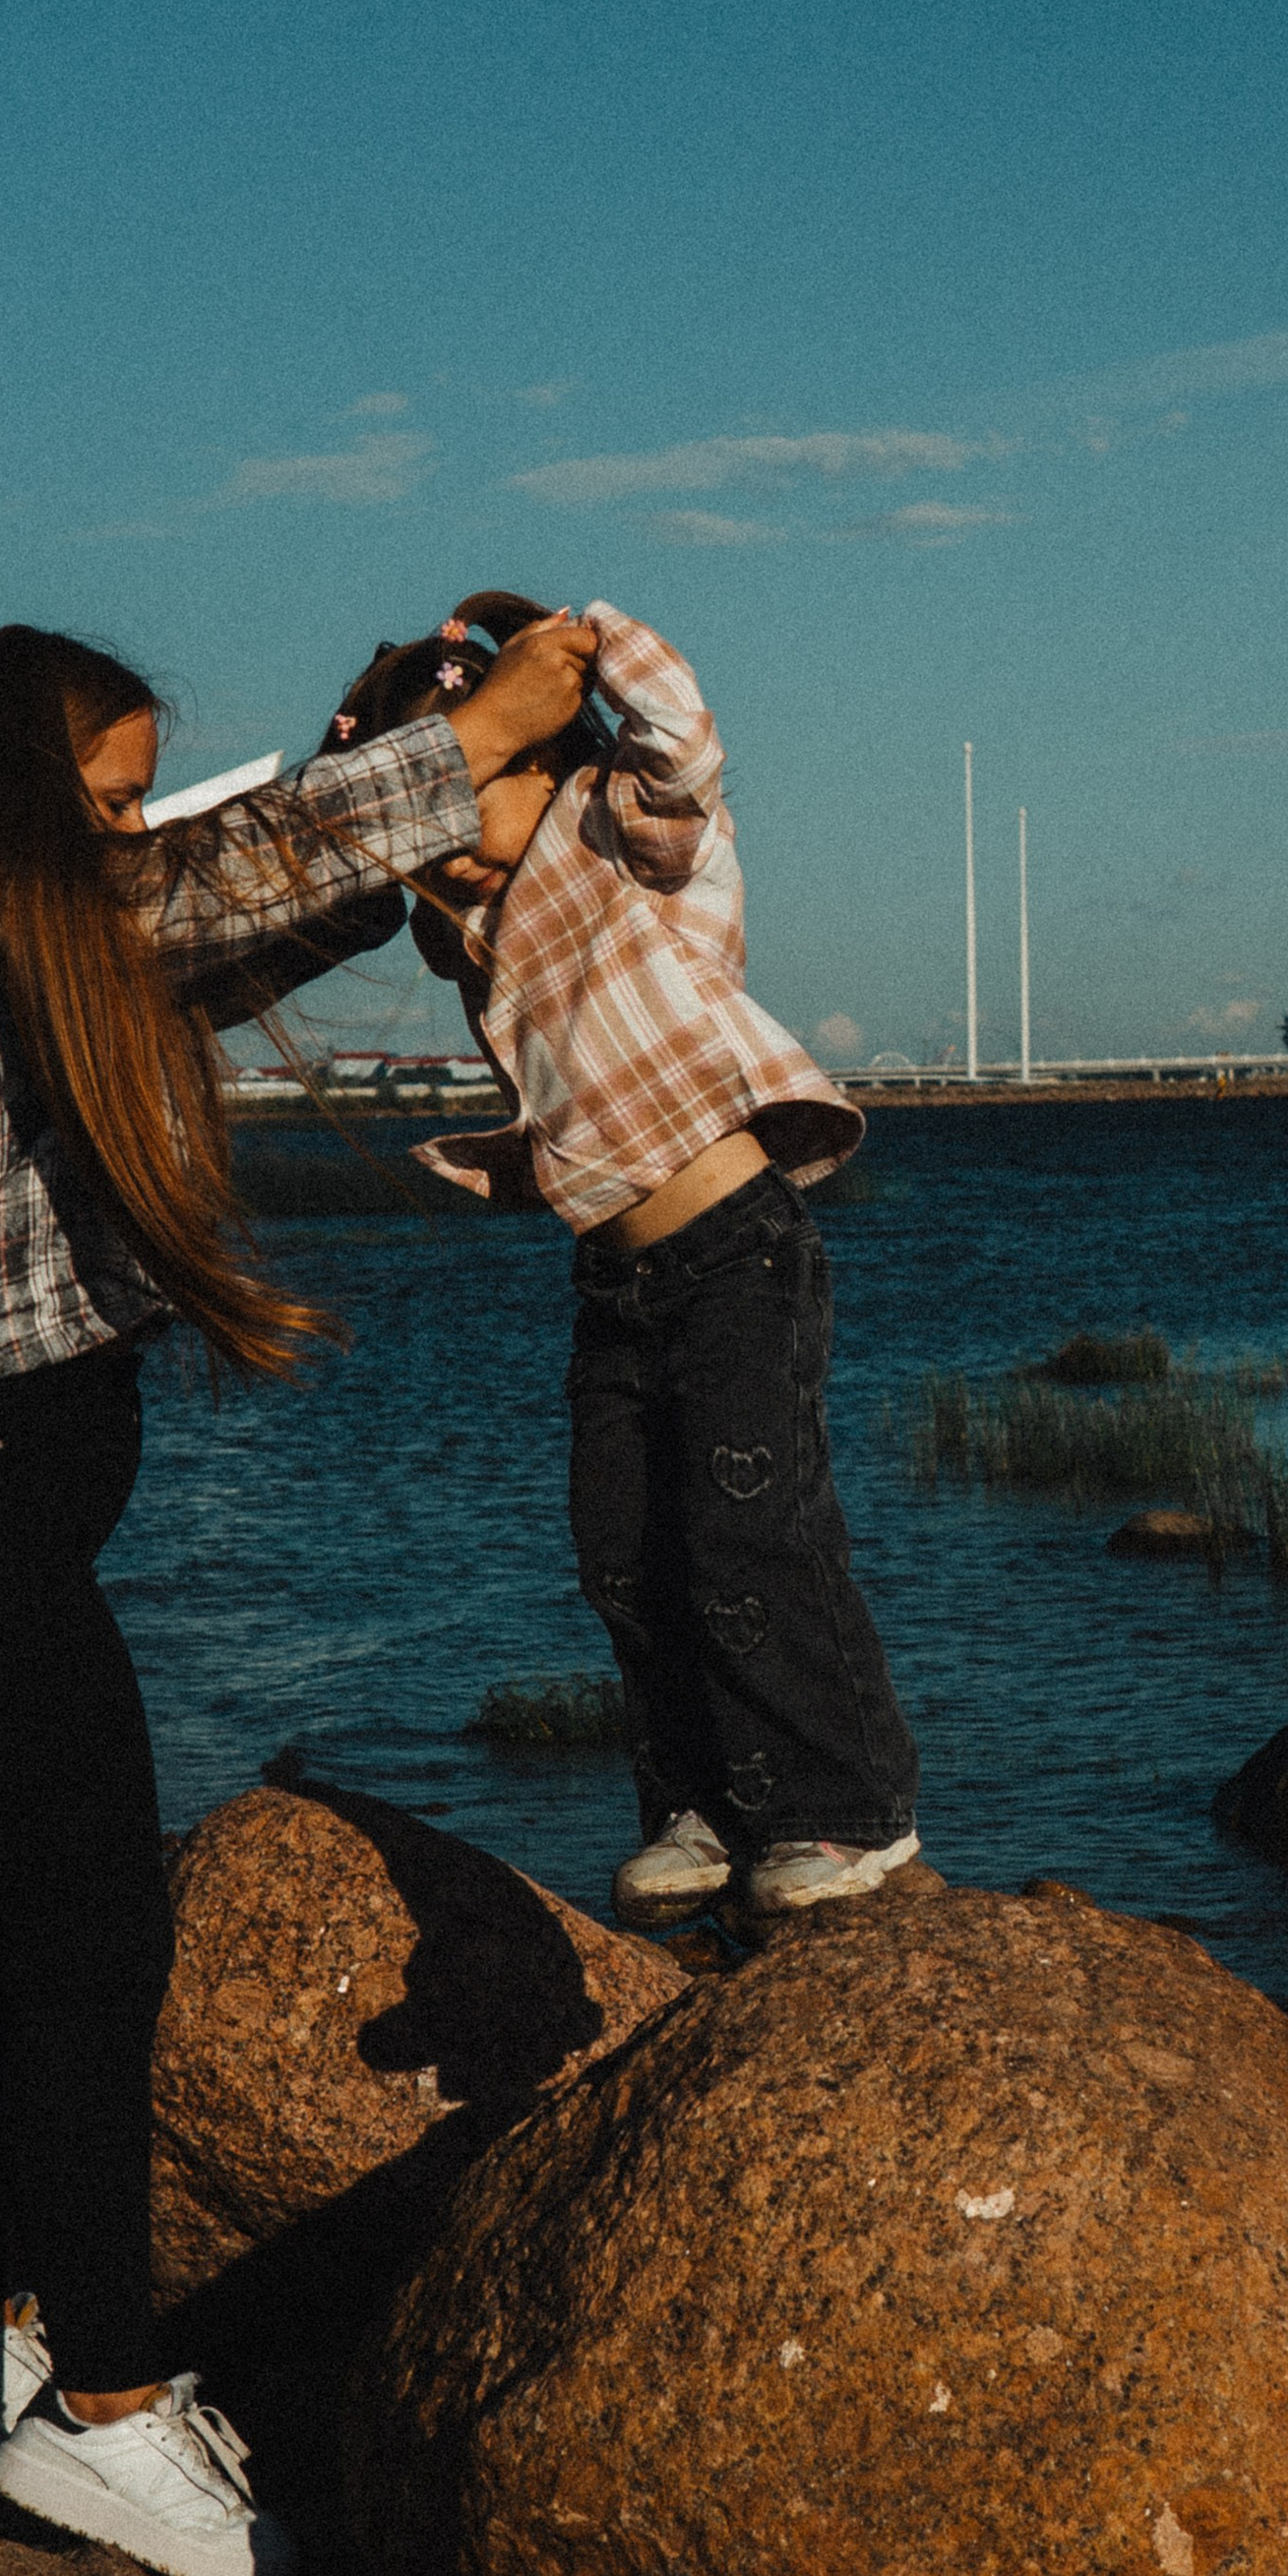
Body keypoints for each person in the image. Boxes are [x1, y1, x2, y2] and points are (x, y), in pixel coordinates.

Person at [0, 610, 594, 2576]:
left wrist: (381, 817)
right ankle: (114, 2417)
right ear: (3, 788)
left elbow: (192, 938)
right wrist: (469, 735)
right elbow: (192, 895)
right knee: (87, 1947)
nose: (130, 833)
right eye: (108, 798)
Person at [324, 593, 920, 1930]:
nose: (436, 850)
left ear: (538, 752)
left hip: (737, 1255)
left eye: (456, 798)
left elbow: (680, 736)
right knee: (625, 1553)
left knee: (750, 1530)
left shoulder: (620, 829)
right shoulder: (466, 933)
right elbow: (358, 837)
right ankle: (702, 1804)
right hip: (618, 1278)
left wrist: (549, 634)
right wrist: (392, 748)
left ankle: (842, 1811)